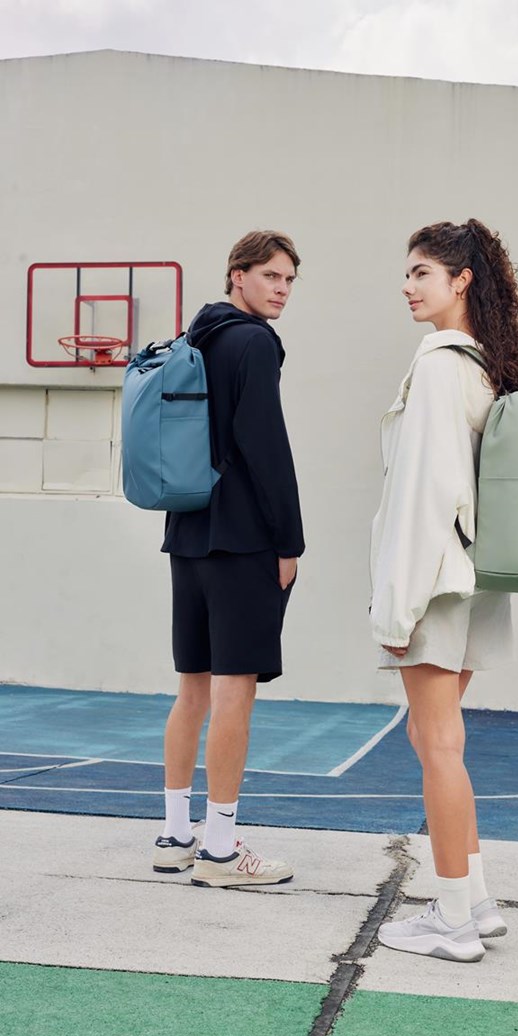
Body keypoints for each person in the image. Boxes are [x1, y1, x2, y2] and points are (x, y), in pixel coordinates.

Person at [370, 219, 518, 962]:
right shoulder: (486, 365)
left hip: (435, 580)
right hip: (472, 579)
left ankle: (450, 919)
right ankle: (473, 899)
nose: (407, 286)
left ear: (461, 280)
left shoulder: (442, 366)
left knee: (438, 744)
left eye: (421, 272)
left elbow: (424, 493)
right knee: (436, 738)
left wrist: (397, 607)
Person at [152, 230, 305, 888]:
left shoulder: (196, 337)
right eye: (271, 275)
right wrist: (290, 541)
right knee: (233, 692)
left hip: (187, 534)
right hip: (242, 541)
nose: (282, 289)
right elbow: (266, 446)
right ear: (237, 275)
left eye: (290, 280)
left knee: (192, 689)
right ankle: (219, 851)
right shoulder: (253, 343)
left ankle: (174, 835)